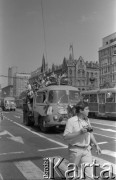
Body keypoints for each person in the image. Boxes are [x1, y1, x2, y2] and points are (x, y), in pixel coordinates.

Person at [63, 101, 101, 180]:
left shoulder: (87, 120)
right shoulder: (71, 121)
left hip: (86, 150)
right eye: (87, 109)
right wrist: (79, 132)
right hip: (75, 150)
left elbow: (90, 133)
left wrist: (96, 145)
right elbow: (66, 136)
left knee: (89, 176)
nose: (89, 111)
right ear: (81, 110)